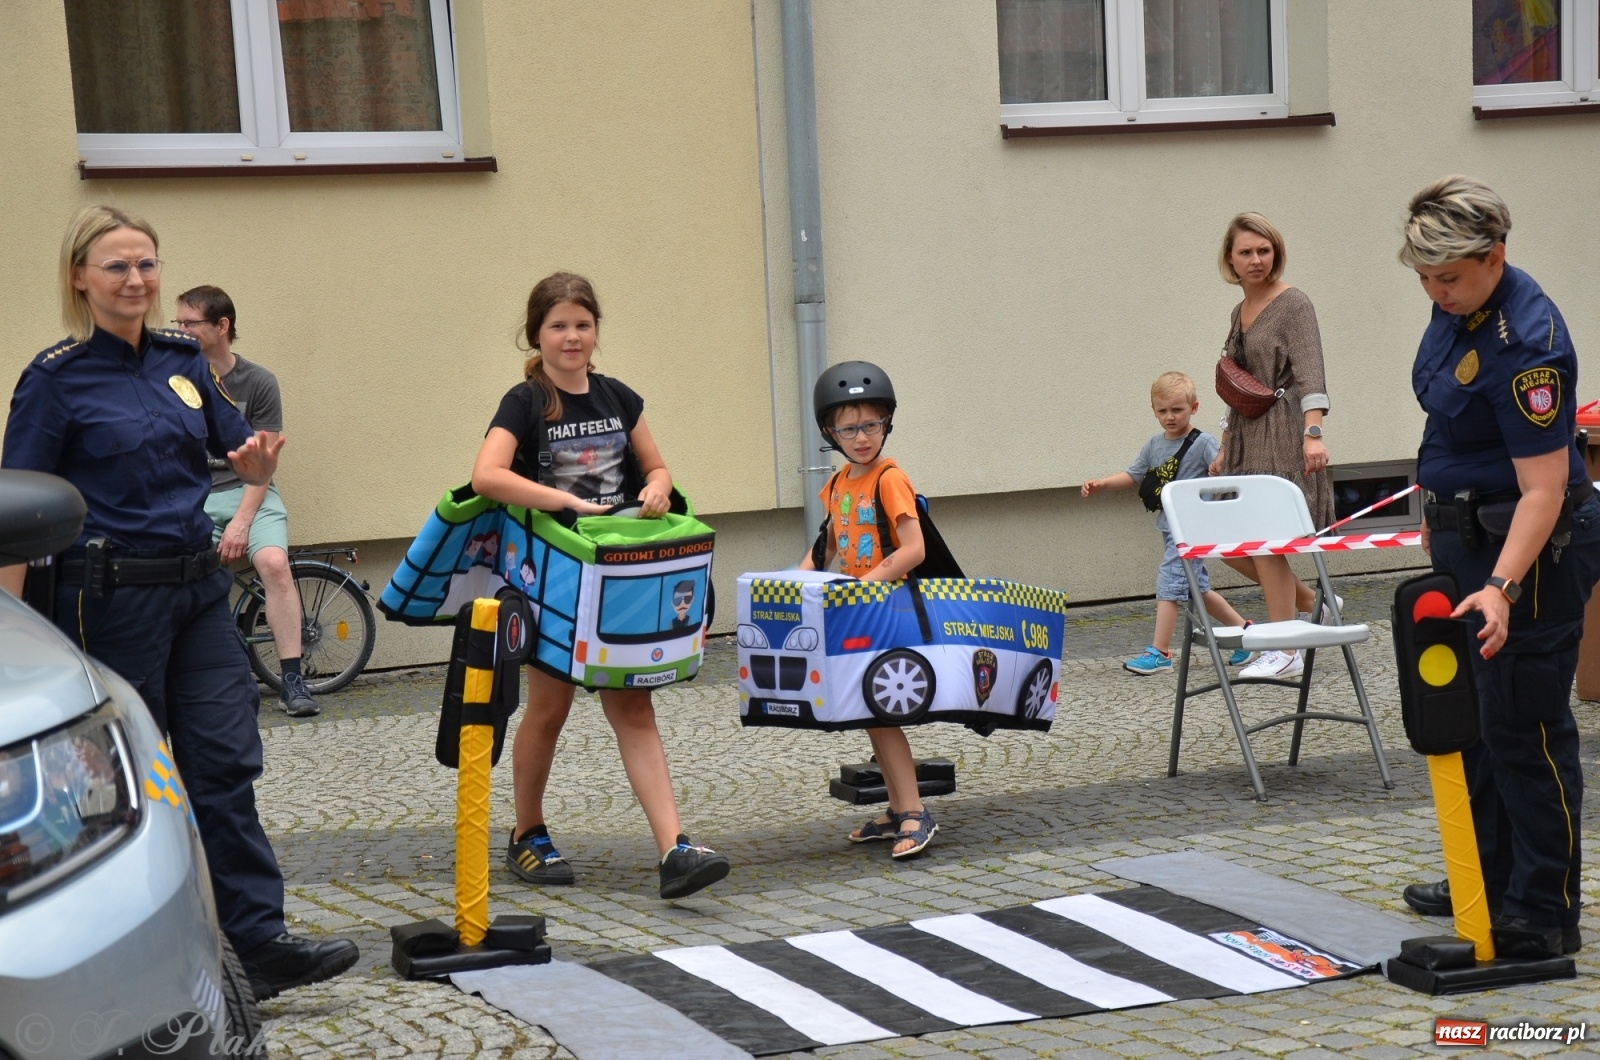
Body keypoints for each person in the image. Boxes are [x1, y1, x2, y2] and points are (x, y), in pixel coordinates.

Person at [0, 205, 358, 999]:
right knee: (102, 784)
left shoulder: (181, 361)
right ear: (79, 278)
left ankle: (258, 942)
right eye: (118, 266)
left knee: (223, 763)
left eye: (148, 264)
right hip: (109, 602)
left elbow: (238, 445)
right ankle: (96, 964)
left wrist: (256, 458)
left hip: (196, 593)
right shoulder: (55, 380)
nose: (137, 279)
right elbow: (15, 513)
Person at [471, 271, 730, 900]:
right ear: (536, 333)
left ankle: (674, 850)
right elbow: (486, 476)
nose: (571, 337)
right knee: (550, 708)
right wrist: (560, 499)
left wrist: (659, 486)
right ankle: (526, 833)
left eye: (582, 325)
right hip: (555, 578)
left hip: (620, 578)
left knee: (634, 705)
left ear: (596, 331)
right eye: (558, 326)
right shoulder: (524, 401)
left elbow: (658, 465)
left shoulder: (617, 397)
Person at [1396, 176, 1600, 959]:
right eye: (1423, 277)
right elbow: (1453, 421)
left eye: (1448, 276)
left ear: (1495, 255)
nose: (1434, 291)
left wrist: (1502, 588)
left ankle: (1543, 911)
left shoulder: (1530, 344)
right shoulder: (1461, 309)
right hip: (1469, 540)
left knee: (1526, 730)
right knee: (1476, 724)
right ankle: (1487, 875)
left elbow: (1545, 489)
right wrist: (1438, 522)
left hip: (1529, 554)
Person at [797, 361, 938, 859]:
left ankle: (916, 812)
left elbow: (913, 549)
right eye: (849, 428)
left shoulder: (889, 478)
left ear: (887, 424)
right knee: (869, 710)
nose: (861, 437)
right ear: (830, 432)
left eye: (871, 425)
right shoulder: (838, 485)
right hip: (858, 608)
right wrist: (795, 588)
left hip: (886, 606)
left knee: (880, 709)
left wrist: (865, 586)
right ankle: (901, 808)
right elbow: (827, 547)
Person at [1207, 212, 1340, 679]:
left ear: (1276, 252)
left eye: (1264, 250)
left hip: (1284, 429)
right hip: (1246, 433)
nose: (1256, 259)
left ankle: (1284, 646)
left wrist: (1313, 431)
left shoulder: (1294, 304)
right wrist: (1224, 444)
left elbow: (1310, 370)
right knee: (1230, 543)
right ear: (1231, 259)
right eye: (1246, 251)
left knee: (1268, 541)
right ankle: (1313, 603)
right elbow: (1237, 384)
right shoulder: (1238, 311)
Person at [176, 285, 317, 718]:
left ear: (222, 327)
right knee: (179, 572)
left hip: (248, 494)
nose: (179, 331)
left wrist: (240, 522)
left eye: (189, 324)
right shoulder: (172, 380)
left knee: (274, 564)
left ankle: (292, 678)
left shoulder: (257, 381)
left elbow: (263, 465)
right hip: (194, 498)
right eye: (175, 323)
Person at [1082, 371, 1254, 675]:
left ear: (1194, 407)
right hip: (1169, 527)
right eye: (1162, 411)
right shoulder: (1154, 445)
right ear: (1154, 411)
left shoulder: (1203, 443)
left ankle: (1160, 652)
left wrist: (1220, 469)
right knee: (1195, 590)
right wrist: (1102, 485)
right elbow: (1134, 474)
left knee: (1168, 584)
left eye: (1177, 410)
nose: (1170, 417)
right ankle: (1246, 635)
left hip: (1192, 528)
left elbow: (1224, 473)